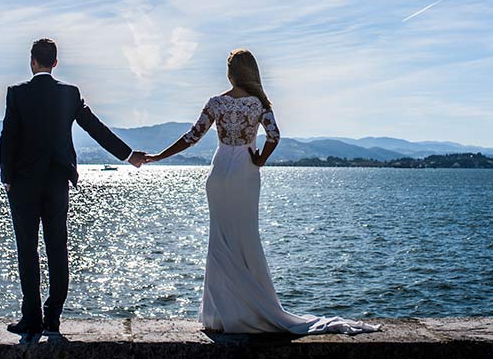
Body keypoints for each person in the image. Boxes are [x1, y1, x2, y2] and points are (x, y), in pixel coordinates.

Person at [145, 49, 378, 334]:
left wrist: (158, 156)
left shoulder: (216, 103)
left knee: (219, 239)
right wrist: (260, 159)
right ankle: (251, 308)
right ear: (252, 72)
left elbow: (191, 137)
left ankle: (220, 315)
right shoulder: (259, 104)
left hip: (219, 173)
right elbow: (274, 136)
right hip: (245, 172)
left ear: (230, 73)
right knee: (245, 238)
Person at [0, 38, 147, 336]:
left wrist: (7, 176)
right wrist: (128, 155)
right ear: (55, 63)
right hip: (57, 181)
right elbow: (95, 128)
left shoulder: (17, 94)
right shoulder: (69, 94)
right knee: (57, 248)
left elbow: (8, 137)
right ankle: (52, 317)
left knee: (27, 250)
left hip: (24, 184)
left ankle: (31, 318)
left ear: (32, 62)